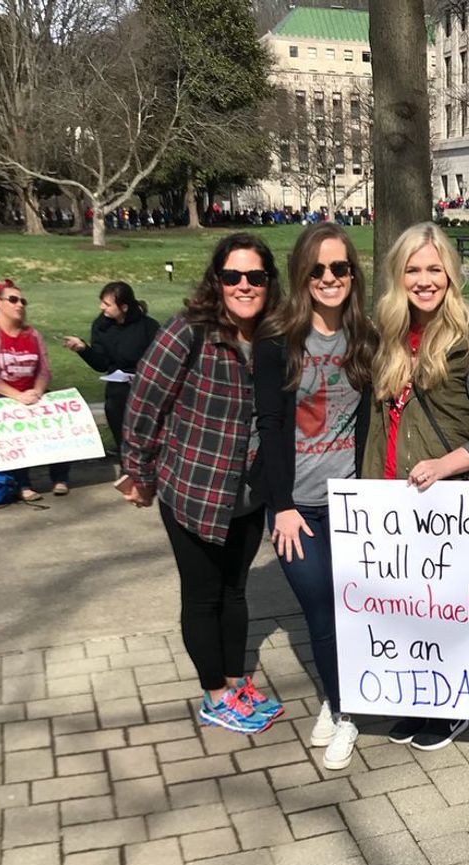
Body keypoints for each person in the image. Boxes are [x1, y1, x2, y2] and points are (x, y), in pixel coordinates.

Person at [121, 233, 283, 736]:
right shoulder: (188, 332)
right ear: (217, 281)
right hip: (193, 489)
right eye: (232, 276)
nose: (243, 286)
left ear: (268, 282)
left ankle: (237, 682)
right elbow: (144, 404)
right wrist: (140, 473)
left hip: (248, 494)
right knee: (203, 594)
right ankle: (214, 694)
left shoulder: (275, 338)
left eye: (254, 277)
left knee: (236, 592)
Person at [363, 222, 469, 751]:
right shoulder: (385, 335)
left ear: (451, 275)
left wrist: (447, 464)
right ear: (397, 275)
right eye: (413, 269)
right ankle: (413, 698)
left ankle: (449, 711)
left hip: (445, 501)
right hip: (386, 497)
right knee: (402, 609)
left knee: (443, 610)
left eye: (434, 269)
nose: (424, 280)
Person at [252, 224, 376, 770]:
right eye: (318, 269)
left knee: (350, 611)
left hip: (353, 506)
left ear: (352, 274)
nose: (329, 278)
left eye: (340, 268)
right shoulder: (277, 340)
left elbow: (373, 416)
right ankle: (345, 708)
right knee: (321, 608)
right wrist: (279, 505)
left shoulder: (367, 337)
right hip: (296, 508)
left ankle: (338, 701)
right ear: (302, 273)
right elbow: (270, 425)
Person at [0, 278, 71, 500]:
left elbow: (44, 370)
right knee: (13, 425)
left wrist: (37, 391)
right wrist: (17, 396)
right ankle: (22, 482)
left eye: (22, 300)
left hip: (33, 393)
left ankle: (60, 477)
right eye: (13, 299)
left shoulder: (33, 334)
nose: (20, 305)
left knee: (62, 414)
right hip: (2, 397)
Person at [62, 282, 161, 459]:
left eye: (107, 304)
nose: (102, 308)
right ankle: (127, 464)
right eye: (102, 303)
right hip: (118, 386)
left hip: (146, 385)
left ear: (123, 307)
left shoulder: (149, 327)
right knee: (116, 404)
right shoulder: (101, 326)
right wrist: (83, 349)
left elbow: (160, 360)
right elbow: (101, 364)